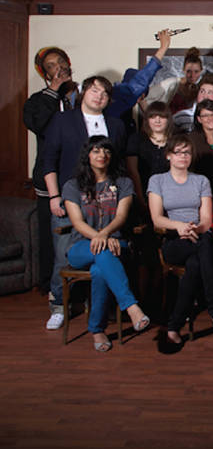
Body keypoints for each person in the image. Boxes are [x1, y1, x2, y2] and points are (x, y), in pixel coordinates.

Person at [43, 76, 127, 331]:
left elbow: (120, 165)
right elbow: (48, 160)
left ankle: (97, 303)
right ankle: (59, 304)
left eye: (104, 93)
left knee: (101, 249)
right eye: (94, 90)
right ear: (83, 92)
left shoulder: (115, 124)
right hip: (70, 199)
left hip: (105, 203)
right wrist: (54, 195)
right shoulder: (62, 120)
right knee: (63, 254)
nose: (99, 96)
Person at [148, 133, 213, 349]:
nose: (183, 157)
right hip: (173, 240)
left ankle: (174, 326)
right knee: (204, 247)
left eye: (187, 152)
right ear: (169, 156)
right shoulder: (157, 180)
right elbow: (156, 218)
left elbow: (206, 219)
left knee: (197, 260)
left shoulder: (201, 181)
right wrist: (179, 227)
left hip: (199, 235)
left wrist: (195, 228)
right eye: (178, 152)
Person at [63, 136, 150, 352]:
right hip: (80, 248)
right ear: (87, 156)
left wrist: (105, 234)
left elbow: (121, 216)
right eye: (96, 151)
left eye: (106, 151)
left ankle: (97, 330)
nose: (102, 155)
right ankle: (131, 306)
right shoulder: (72, 185)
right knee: (102, 251)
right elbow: (77, 222)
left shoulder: (123, 183)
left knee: (100, 269)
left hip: (116, 244)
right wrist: (101, 237)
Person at [24, 45, 79, 294]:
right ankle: (52, 288)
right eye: (51, 67)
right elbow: (39, 125)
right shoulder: (37, 101)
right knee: (51, 237)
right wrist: (54, 90)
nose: (58, 68)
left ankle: (80, 288)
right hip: (50, 181)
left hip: (79, 179)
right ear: (45, 74)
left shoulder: (83, 95)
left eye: (60, 62)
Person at [126, 101, 172, 219]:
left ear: (168, 119)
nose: (157, 120)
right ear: (147, 120)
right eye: (152, 117)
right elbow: (132, 171)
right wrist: (141, 199)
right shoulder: (136, 139)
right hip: (141, 193)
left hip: (170, 197)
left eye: (161, 117)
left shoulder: (176, 141)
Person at [190, 99, 213, 190]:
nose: (210, 118)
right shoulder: (191, 139)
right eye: (205, 115)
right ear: (199, 119)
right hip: (198, 188)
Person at [168, 47, 203, 114]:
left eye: (196, 71)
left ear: (201, 71)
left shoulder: (204, 89)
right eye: (189, 71)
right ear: (183, 70)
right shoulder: (175, 88)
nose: (192, 75)